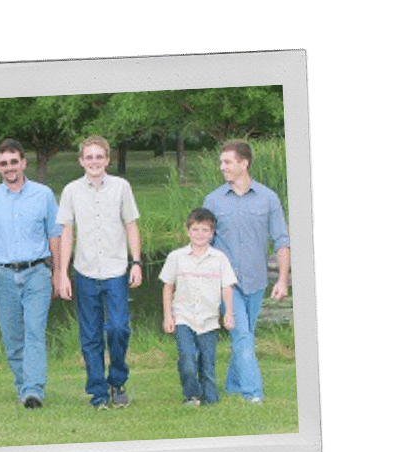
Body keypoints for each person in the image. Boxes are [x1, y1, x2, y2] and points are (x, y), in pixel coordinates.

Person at [0, 139, 62, 409]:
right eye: (3, 163)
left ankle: (33, 390)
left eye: (14, 162)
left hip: (37, 273)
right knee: (13, 338)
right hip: (3, 276)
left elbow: (55, 236)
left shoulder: (43, 195)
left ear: (23, 163)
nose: (10, 168)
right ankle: (23, 386)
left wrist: (58, 273)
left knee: (34, 332)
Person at [56, 136, 143, 409]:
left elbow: (131, 225)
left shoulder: (121, 187)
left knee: (118, 327)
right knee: (90, 334)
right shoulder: (71, 191)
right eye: (89, 157)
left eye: (99, 157)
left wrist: (136, 262)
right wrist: (62, 273)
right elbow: (67, 232)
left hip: (116, 270)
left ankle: (117, 381)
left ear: (107, 159)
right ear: (81, 161)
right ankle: (99, 393)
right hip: (85, 271)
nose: (94, 161)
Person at [203, 139, 290, 404]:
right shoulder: (213, 200)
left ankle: (232, 384)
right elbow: (202, 241)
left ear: (244, 163)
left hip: (256, 280)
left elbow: (282, 241)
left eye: (227, 162)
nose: (222, 167)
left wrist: (283, 280)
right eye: (221, 162)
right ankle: (254, 393)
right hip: (225, 284)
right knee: (241, 333)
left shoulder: (268, 198)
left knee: (244, 335)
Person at [159, 208, 236, 406]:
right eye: (195, 230)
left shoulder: (219, 258)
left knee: (207, 363)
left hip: (209, 319)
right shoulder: (177, 257)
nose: (200, 234)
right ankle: (192, 395)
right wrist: (168, 316)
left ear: (212, 233)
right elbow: (168, 287)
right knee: (187, 357)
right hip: (183, 316)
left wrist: (229, 313)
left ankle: (209, 398)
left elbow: (227, 287)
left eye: (204, 230)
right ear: (188, 231)